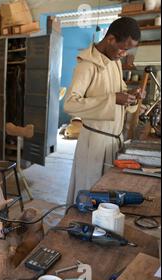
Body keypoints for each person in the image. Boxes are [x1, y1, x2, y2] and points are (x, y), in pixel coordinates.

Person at [64, 17, 145, 204]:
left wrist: (130, 96)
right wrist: (113, 99)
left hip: (114, 141)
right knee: (91, 195)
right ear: (110, 39)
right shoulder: (87, 65)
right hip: (94, 143)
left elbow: (118, 93)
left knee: (109, 196)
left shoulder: (114, 61)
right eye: (123, 48)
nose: (124, 54)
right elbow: (70, 104)